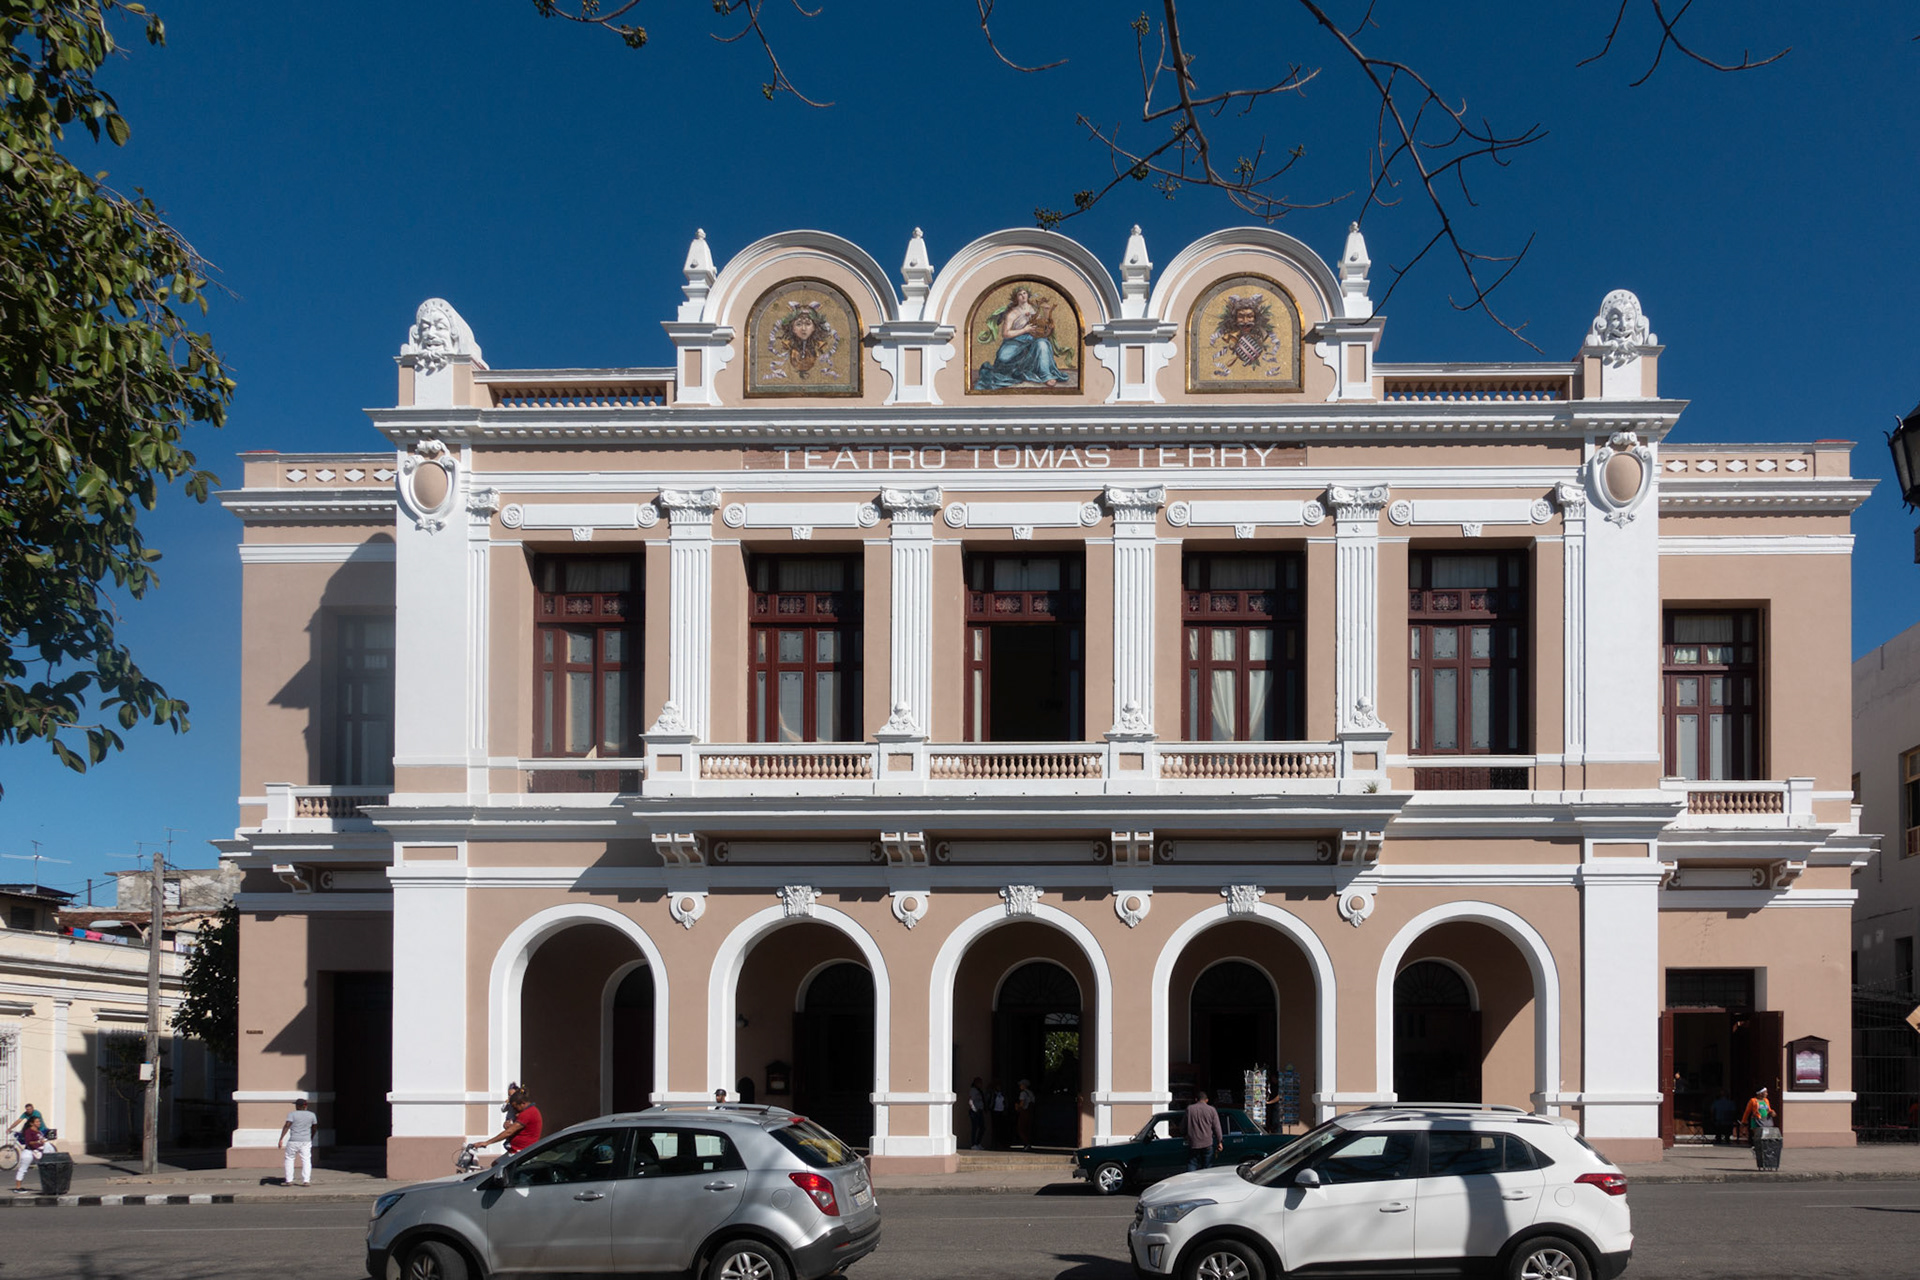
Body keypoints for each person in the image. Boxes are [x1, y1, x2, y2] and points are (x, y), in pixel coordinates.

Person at [973, 287, 1068, 389]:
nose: (1023, 296)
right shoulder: (1012, 313)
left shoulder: (1035, 308)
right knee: (1003, 357)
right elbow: (1005, 334)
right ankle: (1018, 370)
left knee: (1042, 344)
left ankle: (1046, 375)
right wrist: (1024, 330)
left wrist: (1046, 315)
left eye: (1025, 293)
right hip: (1016, 340)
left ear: (1028, 295)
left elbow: (1043, 325)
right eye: (1020, 294)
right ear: (1016, 298)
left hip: (1034, 338)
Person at [475, 1089, 543, 1166]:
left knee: (500, 1168)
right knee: (495, 1164)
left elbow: (509, 1132)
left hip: (521, 1152)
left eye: (515, 1107)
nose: (514, 1110)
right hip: (514, 1150)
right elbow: (518, 1128)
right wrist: (510, 1125)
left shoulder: (528, 1113)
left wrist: (487, 1142)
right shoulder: (526, 1112)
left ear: (523, 1103)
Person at [276, 1098, 318, 1187]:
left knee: (289, 1159)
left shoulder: (292, 1114)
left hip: (293, 1140)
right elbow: (314, 1128)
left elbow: (287, 1125)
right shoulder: (312, 1115)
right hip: (306, 1141)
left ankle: (289, 1180)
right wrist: (311, 1137)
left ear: (297, 1106)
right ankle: (306, 1180)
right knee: (306, 1160)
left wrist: (281, 1138)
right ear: (305, 1106)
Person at [1184, 1089, 1225, 1173]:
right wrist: (1219, 1141)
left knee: (1192, 1164)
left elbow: (1183, 1126)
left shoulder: (1190, 1109)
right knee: (1207, 1167)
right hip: (1207, 1143)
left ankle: (1190, 1181)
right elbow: (1217, 1127)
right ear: (1207, 1100)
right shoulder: (1211, 1110)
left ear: (1196, 1099)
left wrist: (1184, 1135)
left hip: (1194, 1143)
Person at [11, 1117, 52, 1193]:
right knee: (23, 1169)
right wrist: (39, 1142)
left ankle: (48, 1186)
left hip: (37, 1152)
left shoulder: (38, 1131)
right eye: (37, 1122)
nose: (39, 1123)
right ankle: (18, 1187)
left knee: (45, 1168)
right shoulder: (28, 1131)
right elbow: (29, 1142)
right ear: (31, 1123)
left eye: (39, 1121)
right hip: (29, 1152)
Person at [1014, 1079, 1037, 1150]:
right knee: (1028, 1128)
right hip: (1030, 1113)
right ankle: (1028, 1143)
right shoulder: (1031, 1093)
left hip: (1024, 1112)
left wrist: (1017, 1106)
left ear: (1024, 1085)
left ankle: (1026, 1143)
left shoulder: (1023, 1093)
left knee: (1021, 1129)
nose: (1020, 1086)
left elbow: (1022, 1103)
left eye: (1021, 1084)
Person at [967, 1077, 987, 1150]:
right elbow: (970, 1100)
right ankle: (973, 1144)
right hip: (975, 1111)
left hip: (980, 1110)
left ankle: (978, 1143)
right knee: (974, 1128)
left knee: (982, 1127)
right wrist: (974, 1109)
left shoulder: (979, 1090)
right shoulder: (973, 1090)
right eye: (979, 1083)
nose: (981, 1084)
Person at [989, 1079, 1008, 1149]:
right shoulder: (993, 1094)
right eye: (997, 1086)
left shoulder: (1002, 1094)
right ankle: (995, 1143)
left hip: (1001, 1111)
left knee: (1001, 1127)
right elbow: (990, 1101)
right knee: (995, 1127)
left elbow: (1005, 1101)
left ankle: (1001, 1142)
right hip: (995, 1111)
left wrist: (1006, 1108)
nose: (999, 1088)